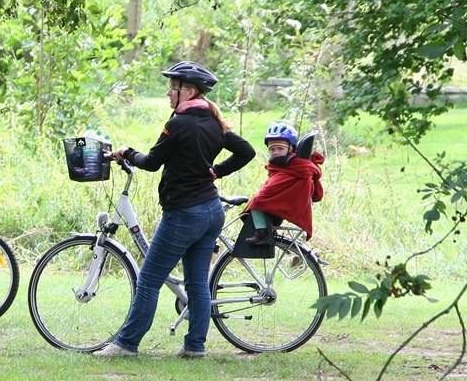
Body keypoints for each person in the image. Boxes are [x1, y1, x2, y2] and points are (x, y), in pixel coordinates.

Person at [93, 61, 256, 359]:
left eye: (173, 87)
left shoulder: (178, 123)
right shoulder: (214, 121)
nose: (169, 93)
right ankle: (195, 346)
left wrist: (126, 152)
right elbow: (247, 151)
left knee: (149, 280)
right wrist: (216, 172)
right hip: (210, 211)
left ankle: (126, 344)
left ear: (189, 91)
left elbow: (152, 162)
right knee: (197, 283)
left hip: (184, 214)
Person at [242, 123, 324, 245]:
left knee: (257, 201)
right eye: (272, 149)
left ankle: (262, 232)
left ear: (291, 149)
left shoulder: (297, 165)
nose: (275, 152)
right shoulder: (281, 164)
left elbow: (303, 173)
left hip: (288, 198)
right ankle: (268, 228)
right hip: (283, 198)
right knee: (259, 201)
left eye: (280, 148)